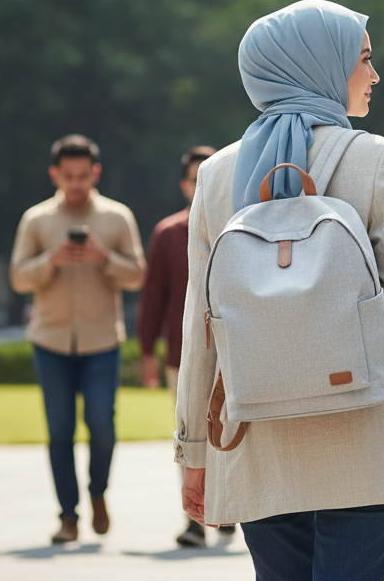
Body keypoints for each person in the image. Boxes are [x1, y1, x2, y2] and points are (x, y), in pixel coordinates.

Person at [173, 0, 384, 581]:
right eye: (363, 60)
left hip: (257, 434)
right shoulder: (376, 159)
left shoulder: (217, 175)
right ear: (319, 66)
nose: (374, 74)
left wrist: (193, 454)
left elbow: (202, 328)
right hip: (361, 430)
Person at [9, 134, 146, 544]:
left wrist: (105, 259)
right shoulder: (36, 220)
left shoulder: (117, 217)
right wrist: (50, 261)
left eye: (83, 175)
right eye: (67, 175)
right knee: (60, 432)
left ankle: (97, 494)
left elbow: (138, 273)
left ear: (95, 173)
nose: (75, 183)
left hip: (102, 340)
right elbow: (18, 277)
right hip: (50, 341)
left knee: (102, 426)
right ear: (55, 173)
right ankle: (68, 516)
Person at [136, 144, 221, 549]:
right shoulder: (169, 233)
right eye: (194, 177)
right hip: (181, 355)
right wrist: (147, 353)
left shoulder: (238, 224)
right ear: (185, 183)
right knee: (188, 435)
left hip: (234, 352)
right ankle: (193, 519)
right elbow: (153, 297)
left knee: (231, 431)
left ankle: (226, 507)